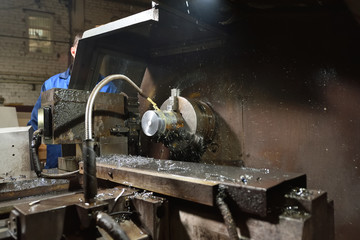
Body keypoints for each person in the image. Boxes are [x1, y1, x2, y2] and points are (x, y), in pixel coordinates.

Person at [28, 33, 117, 168]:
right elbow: (37, 124)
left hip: (97, 167)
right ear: (73, 51)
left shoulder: (107, 86)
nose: (88, 56)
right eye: (84, 50)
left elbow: (115, 131)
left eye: (93, 52)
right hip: (57, 166)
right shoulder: (51, 85)